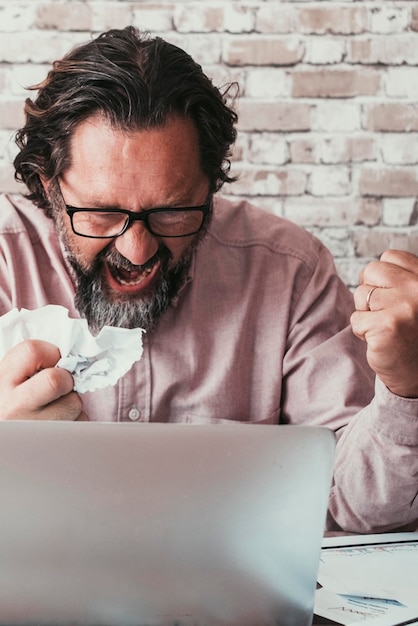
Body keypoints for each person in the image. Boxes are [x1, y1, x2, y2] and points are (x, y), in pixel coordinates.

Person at [0, 25, 417, 533]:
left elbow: (353, 507)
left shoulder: (290, 272)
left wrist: (407, 389)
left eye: (173, 211)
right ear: (49, 185)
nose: (137, 250)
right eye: (103, 213)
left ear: (211, 184)